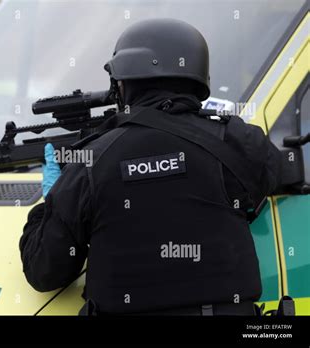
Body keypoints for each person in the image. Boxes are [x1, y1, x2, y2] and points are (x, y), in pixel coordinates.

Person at [20, 19, 282, 315]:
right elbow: (276, 172)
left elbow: (44, 271)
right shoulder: (237, 139)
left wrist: (51, 200)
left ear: (126, 81)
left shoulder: (92, 160)